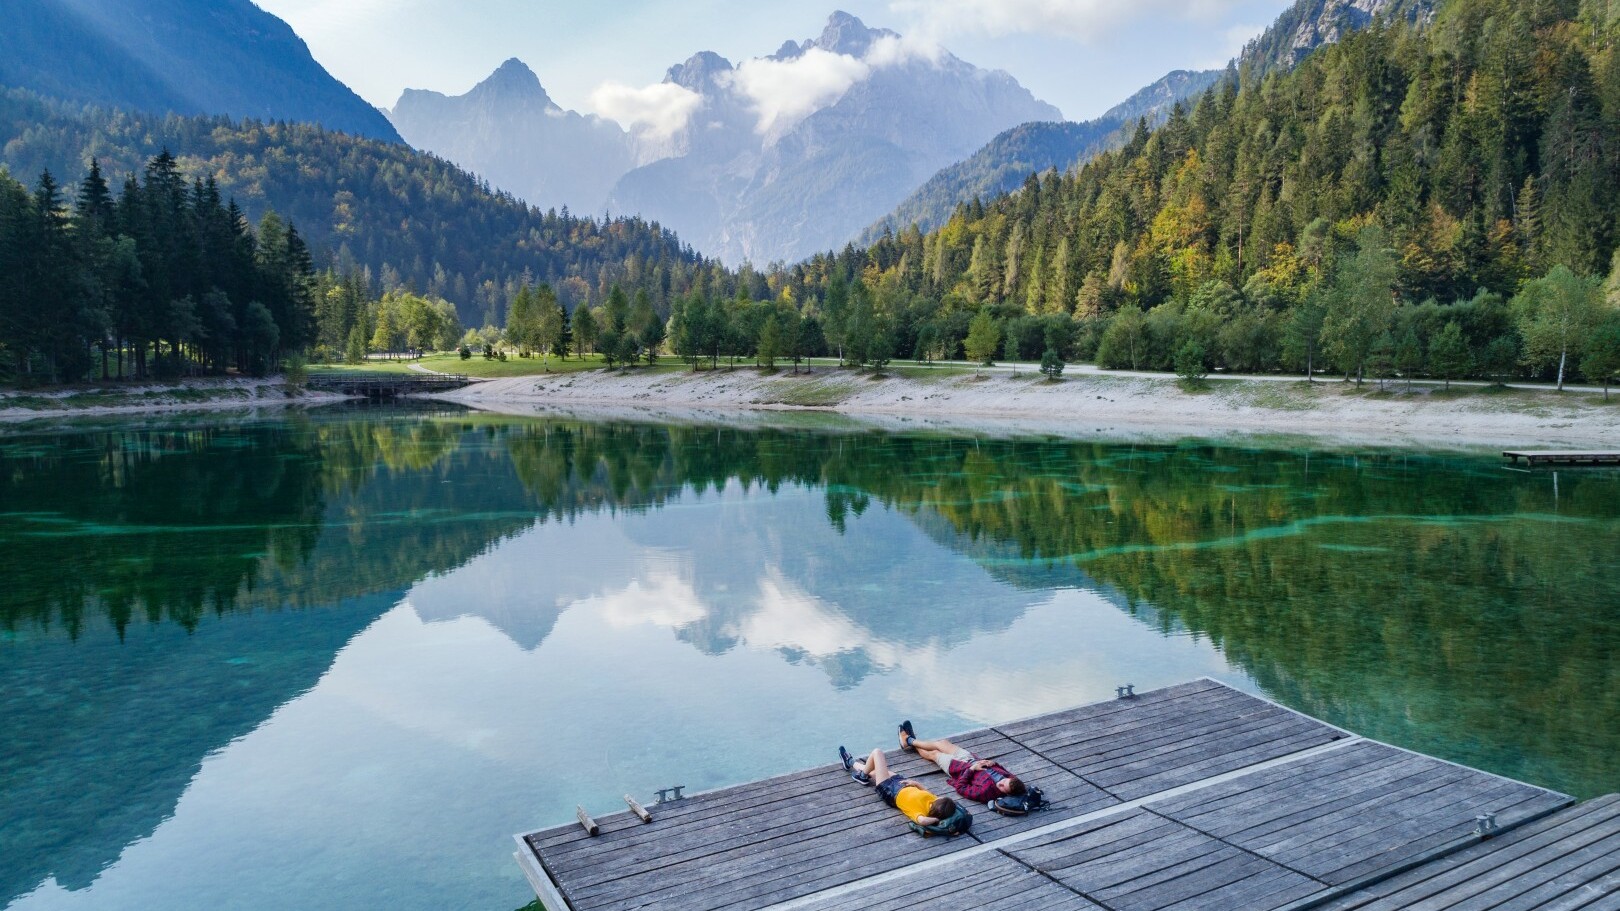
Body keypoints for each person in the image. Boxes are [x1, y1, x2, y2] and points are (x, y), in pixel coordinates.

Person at [838, 745, 965, 833]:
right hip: (901, 783)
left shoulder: (920, 812)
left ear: (938, 808)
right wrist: (914, 783)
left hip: (889, 791)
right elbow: (925, 791)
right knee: (874, 770)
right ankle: (851, 763)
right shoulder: (933, 801)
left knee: (877, 753)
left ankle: (860, 773)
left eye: (942, 798)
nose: (940, 796)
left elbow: (922, 821)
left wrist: (937, 820)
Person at [897, 720, 1026, 804]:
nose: (1001, 783)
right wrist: (992, 763)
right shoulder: (1011, 779)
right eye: (1003, 781)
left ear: (1007, 794)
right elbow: (1000, 769)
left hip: (958, 768)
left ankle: (908, 740)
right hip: (970, 758)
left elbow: (961, 788)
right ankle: (910, 740)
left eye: (1002, 787)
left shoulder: (987, 793)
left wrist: (971, 770)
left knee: (934, 754)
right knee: (942, 743)